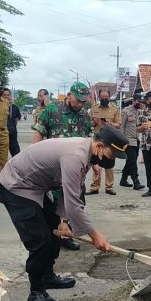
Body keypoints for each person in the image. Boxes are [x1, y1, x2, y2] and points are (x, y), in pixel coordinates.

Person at [0, 126, 127, 301]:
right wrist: (94, 234)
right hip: (16, 186)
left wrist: (63, 220)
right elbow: (73, 203)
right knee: (40, 240)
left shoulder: (87, 154)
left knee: (54, 228)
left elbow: (71, 189)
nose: (111, 161)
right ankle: (36, 290)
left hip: (36, 188)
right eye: (111, 155)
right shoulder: (75, 156)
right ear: (99, 146)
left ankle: (47, 276)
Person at [32, 81, 93, 252]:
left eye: (83, 101)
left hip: (75, 167)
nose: (80, 104)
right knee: (52, 203)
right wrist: (35, 156)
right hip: (53, 168)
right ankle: (51, 236)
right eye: (78, 100)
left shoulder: (85, 116)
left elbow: (90, 142)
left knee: (75, 200)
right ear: (69, 95)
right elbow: (39, 133)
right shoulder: (52, 111)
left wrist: (93, 165)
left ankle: (67, 235)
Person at [87, 88, 121, 195]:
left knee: (109, 163)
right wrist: (94, 122)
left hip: (110, 138)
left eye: (106, 98)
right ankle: (95, 187)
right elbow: (89, 124)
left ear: (109, 97)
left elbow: (118, 124)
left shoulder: (115, 109)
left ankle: (109, 187)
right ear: (99, 97)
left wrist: (108, 123)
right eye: (102, 98)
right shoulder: (94, 108)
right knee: (96, 162)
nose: (104, 99)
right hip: (97, 138)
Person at [120, 90, 145, 190]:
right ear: (134, 101)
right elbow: (121, 126)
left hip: (137, 140)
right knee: (132, 161)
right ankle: (136, 181)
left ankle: (123, 179)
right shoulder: (126, 111)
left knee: (130, 161)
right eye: (139, 101)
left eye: (142, 102)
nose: (140, 104)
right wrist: (122, 140)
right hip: (128, 140)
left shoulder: (140, 112)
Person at [3, 88, 22, 157]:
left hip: (12, 133)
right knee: (2, 154)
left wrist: (12, 127)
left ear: (10, 96)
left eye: (7, 95)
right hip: (1, 133)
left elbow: (16, 120)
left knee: (16, 153)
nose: (6, 96)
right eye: (4, 95)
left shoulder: (14, 107)